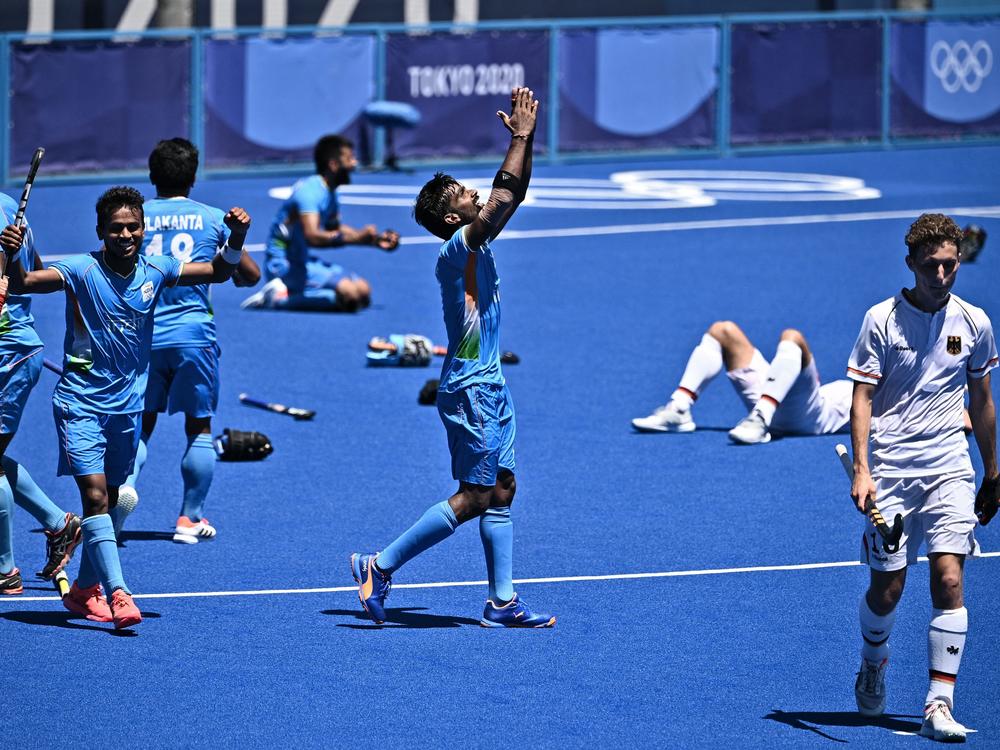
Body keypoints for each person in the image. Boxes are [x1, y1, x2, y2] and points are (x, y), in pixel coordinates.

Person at [349, 87, 554, 628]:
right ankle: (380, 564)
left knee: (503, 487)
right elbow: (503, 202)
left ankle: (501, 601)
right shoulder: (457, 247)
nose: (474, 194)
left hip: (490, 383)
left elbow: (515, 194)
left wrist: (524, 143)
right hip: (471, 387)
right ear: (449, 218)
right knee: (476, 494)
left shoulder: (474, 242)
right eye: (464, 194)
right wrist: (520, 137)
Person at [1, 185, 251, 628]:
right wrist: (15, 253)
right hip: (79, 403)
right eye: (116, 228)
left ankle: (81, 591)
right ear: (100, 231)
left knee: (114, 499)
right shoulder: (80, 269)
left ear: (144, 229)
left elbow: (219, 271)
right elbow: (24, 283)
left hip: (127, 409)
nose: (125, 234)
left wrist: (236, 239)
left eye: (133, 227)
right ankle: (119, 593)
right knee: (95, 497)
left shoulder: (157, 269)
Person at [846, 213, 998, 742]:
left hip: (949, 466)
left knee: (950, 578)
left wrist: (992, 470)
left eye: (950, 266)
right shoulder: (881, 320)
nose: (941, 276)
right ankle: (873, 662)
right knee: (887, 591)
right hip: (890, 469)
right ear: (911, 263)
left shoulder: (974, 322)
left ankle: (938, 705)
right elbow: (862, 398)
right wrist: (863, 472)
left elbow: (981, 400)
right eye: (931, 266)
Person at [116, 138, 261, 544]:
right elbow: (250, 275)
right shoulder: (213, 218)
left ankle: (122, 494)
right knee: (198, 427)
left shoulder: (134, 220)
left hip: (143, 338)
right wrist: (232, 241)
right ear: (194, 177)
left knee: (140, 427)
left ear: (151, 176)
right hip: (193, 336)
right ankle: (189, 519)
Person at [0, 193, 83, 595]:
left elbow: (29, 277)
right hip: (18, 350)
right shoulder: (7, 204)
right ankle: (58, 523)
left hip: (8, 353)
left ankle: (5, 570)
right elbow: (31, 271)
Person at [241, 134, 399, 312]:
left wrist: (374, 240)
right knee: (350, 296)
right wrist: (358, 239)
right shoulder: (309, 193)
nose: (354, 163)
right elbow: (313, 237)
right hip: (282, 264)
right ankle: (277, 298)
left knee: (363, 291)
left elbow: (334, 228)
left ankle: (295, 292)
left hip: (302, 260)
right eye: (349, 158)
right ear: (333, 164)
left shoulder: (330, 191)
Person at [632, 321, 852, 444]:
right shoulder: (870, 385)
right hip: (772, 395)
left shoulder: (878, 400)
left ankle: (760, 419)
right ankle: (679, 408)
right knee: (723, 330)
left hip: (808, 416)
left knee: (792, 336)